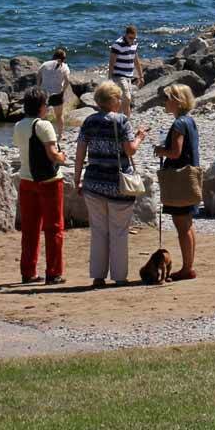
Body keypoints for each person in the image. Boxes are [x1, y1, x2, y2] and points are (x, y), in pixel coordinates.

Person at [74, 80, 148, 287]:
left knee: (98, 231)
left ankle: (98, 276)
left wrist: (77, 179)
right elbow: (130, 150)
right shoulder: (122, 121)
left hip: (94, 182)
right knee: (119, 231)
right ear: (114, 100)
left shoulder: (89, 122)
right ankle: (119, 276)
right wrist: (140, 137)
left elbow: (80, 153)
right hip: (118, 184)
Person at [14, 93, 67, 285]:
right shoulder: (44, 125)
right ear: (41, 107)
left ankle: (28, 271)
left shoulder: (18, 126)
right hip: (49, 181)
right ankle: (54, 272)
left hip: (26, 179)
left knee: (29, 228)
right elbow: (52, 154)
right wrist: (62, 157)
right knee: (54, 228)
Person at [153, 84, 202, 282]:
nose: (165, 102)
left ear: (177, 101)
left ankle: (187, 268)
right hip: (189, 176)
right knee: (188, 223)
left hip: (179, 178)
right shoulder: (190, 121)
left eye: (168, 99)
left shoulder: (179, 124)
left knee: (181, 224)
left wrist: (160, 151)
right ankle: (188, 265)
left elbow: (176, 152)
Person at [39, 46, 74, 133]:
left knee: (42, 115)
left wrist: (39, 87)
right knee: (59, 115)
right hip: (57, 93)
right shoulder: (65, 67)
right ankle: (60, 135)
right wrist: (63, 90)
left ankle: (41, 133)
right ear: (63, 59)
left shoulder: (45, 64)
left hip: (44, 93)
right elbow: (67, 80)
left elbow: (38, 75)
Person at [107, 25, 140, 114]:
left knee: (125, 101)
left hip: (129, 75)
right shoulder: (117, 44)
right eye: (130, 38)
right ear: (126, 35)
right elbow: (112, 62)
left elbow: (136, 60)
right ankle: (123, 120)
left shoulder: (134, 43)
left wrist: (141, 76)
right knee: (127, 98)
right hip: (119, 75)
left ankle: (122, 120)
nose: (132, 40)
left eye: (134, 38)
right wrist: (110, 77)